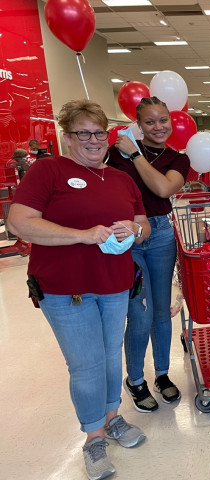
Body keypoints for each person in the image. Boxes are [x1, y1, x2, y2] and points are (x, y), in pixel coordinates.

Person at [7, 99, 151, 480]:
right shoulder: (48, 170)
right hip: (64, 290)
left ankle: (113, 416)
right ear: (67, 137)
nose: (93, 140)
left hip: (115, 285)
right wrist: (82, 236)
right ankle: (94, 438)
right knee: (85, 365)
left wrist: (132, 230)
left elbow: (143, 225)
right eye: (83, 133)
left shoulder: (121, 178)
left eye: (99, 132)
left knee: (108, 356)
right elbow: (19, 223)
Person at [109, 96, 190, 412]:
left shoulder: (177, 158)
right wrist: (125, 152)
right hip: (126, 236)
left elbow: (163, 190)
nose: (158, 127)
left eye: (163, 120)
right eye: (150, 122)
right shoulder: (115, 155)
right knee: (140, 311)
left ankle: (161, 374)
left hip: (159, 235)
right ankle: (135, 379)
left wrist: (136, 155)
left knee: (160, 309)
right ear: (138, 125)